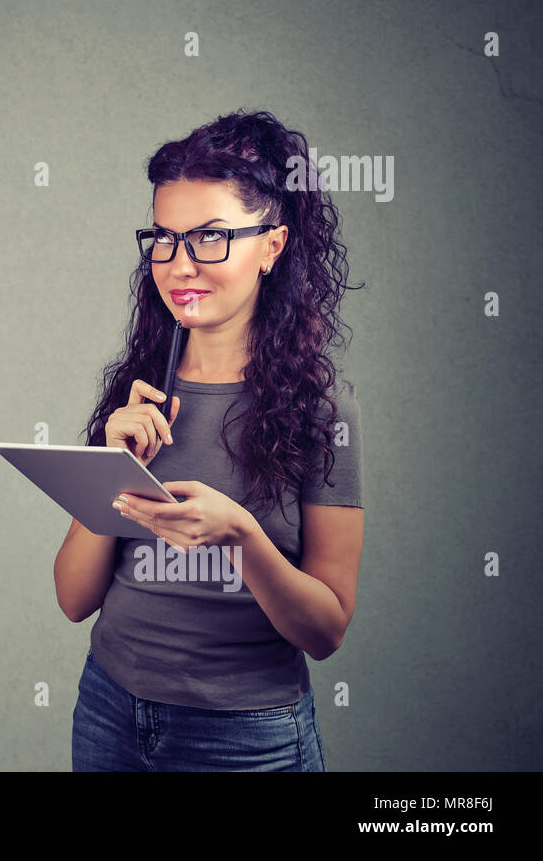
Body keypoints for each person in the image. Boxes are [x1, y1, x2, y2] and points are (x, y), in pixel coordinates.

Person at [55, 109, 365, 771]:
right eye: (165, 239)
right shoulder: (139, 397)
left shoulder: (321, 412)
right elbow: (73, 598)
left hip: (244, 736)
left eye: (211, 238)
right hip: (109, 710)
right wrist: (111, 470)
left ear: (272, 246)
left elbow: (327, 629)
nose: (180, 264)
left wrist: (243, 538)